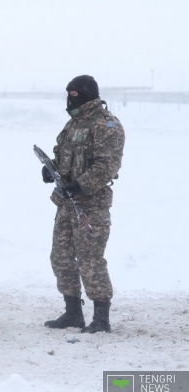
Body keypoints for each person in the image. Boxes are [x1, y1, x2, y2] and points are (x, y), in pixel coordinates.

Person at [42, 75, 125, 334]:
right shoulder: (73, 124)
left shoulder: (106, 125)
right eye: (69, 93)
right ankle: (73, 313)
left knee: (90, 260)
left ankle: (101, 317)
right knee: (62, 258)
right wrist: (51, 170)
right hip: (66, 204)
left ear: (88, 94)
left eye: (75, 94)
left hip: (91, 205)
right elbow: (61, 155)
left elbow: (107, 165)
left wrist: (80, 185)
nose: (70, 98)